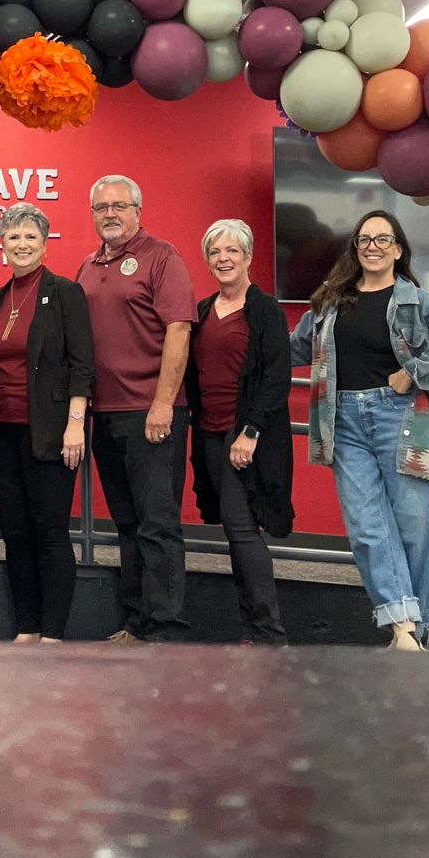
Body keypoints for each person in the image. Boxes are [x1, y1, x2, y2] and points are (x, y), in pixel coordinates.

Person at [289, 210, 429, 651]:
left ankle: (419, 629)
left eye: (382, 239)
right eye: (364, 239)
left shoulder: (415, 300)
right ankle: (402, 628)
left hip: (401, 420)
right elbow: (296, 348)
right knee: (367, 527)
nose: (372, 246)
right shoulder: (330, 301)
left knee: (415, 525)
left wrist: (413, 371)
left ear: (397, 250)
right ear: (355, 249)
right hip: (342, 423)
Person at [74, 175, 196, 644]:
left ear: (137, 210)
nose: (110, 214)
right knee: (127, 523)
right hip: (105, 415)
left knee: (158, 524)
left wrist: (163, 404)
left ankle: (166, 629)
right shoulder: (87, 266)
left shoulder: (161, 257)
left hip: (152, 412)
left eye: (119, 206)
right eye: (101, 206)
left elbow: (179, 330)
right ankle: (137, 623)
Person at [0, 203, 94, 643]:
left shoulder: (65, 293)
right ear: (2, 246)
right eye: (13, 237)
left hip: (50, 431)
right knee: (14, 533)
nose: (22, 244)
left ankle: (52, 631)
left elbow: (82, 365)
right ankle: (27, 628)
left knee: (50, 533)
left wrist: (75, 424)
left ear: (45, 245)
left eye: (30, 237)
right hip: (0, 433)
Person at [183, 219, 291, 647]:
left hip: (243, 435)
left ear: (248, 257)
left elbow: (275, 378)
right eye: (215, 252)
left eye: (232, 251)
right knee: (233, 529)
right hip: (208, 432)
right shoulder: (205, 309)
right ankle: (252, 631)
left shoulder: (264, 309)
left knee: (243, 530)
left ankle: (268, 634)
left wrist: (250, 432)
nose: (223, 259)